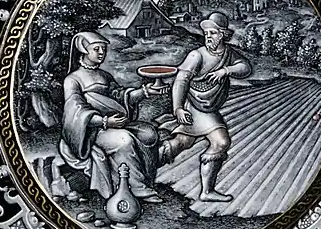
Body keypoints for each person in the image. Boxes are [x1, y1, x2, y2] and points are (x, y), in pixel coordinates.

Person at [59, 31, 167, 203]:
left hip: (115, 124)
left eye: (103, 49)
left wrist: (145, 92)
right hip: (90, 133)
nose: (102, 52)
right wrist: (104, 121)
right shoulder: (73, 79)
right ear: (84, 50)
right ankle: (137, 188)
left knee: (149, 133)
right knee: (124, 140)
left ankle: (147, 179)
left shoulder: (104, 76)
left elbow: (120, 96)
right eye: (96, 49)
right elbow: (75, 112)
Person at [159, 12, 252, 202]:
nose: (208, 36)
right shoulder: (197, 55)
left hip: (209, 107)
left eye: (213, 32)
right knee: (221, 142)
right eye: (206, 33)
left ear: (223, 34)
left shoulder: (228, 53)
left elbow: (245, 67)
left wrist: (225, 70)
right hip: (195, 105)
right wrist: (178, 108)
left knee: (183, 142)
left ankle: (144, 167)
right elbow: (181, 81)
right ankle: (206, 191)